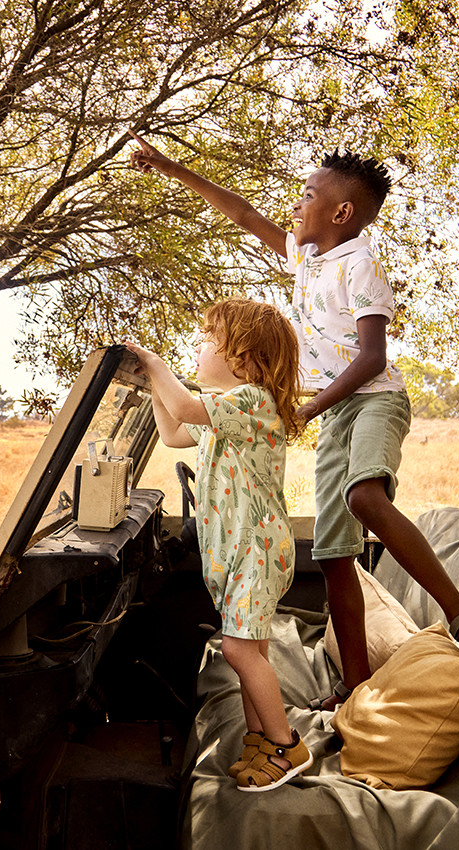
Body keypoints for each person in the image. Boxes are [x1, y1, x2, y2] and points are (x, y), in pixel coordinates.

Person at [128, 130, 459, 710]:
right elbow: (243, 212)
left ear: (342, 211)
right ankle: (354, 685)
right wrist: (174, 169)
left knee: (365, 498)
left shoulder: (360, 266)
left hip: (373, 398)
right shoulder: (307, 258)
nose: (297, 204)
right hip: (332, 414)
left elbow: (372, 357)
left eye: (308, 195)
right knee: (332, 554)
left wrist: (309, 407)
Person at [125, 297, 313, 791]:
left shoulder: (250, 402)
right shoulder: (221, 417)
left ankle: (287, 745)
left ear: (245, 359)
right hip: (237, 553)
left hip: (256, 550)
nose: (198, 344)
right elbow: (171, 432)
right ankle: (259, 740)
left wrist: (156, 365)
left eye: (209, 340)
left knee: (237, 648)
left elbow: (184, 404)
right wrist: (151, 386)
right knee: (252, 649)